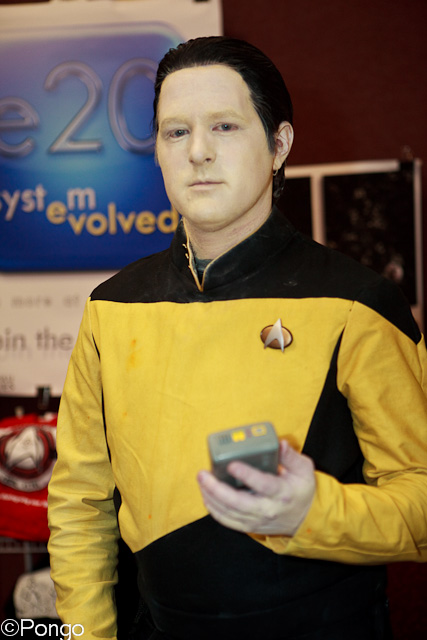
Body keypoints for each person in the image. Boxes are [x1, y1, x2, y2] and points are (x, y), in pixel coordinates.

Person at [48, 36, 427, 640]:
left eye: (224, 126)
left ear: (280, 144)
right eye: (176, 132)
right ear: (158, 152)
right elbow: (79, 502)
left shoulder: (358, 303)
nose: (198, 151)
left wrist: (312, 512)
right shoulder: (111, 306)